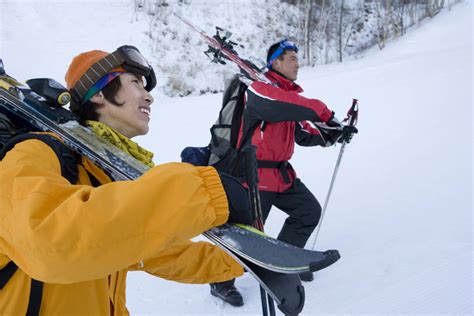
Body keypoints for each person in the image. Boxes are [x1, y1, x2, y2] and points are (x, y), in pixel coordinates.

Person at [0, 45, 254, 315]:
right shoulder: (36, 152)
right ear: (98, 93)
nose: (149, 97)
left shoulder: (104, 177)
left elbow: (157, 250)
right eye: (136, 83)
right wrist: (205, 191)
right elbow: (50, 245)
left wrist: (237, 260)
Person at [208, 39, 357, 305]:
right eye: (291, 58)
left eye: (297, 58)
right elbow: (282, 104)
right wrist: (324, 112)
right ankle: (220, 283)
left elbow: (302, 131)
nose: (297, 63)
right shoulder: (258, 89)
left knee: (308, 212)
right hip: (251, 177)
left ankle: (282, 264)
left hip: (281, 176)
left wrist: (333, 134)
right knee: (246, 237)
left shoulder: (286, 98)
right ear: (275, 62)